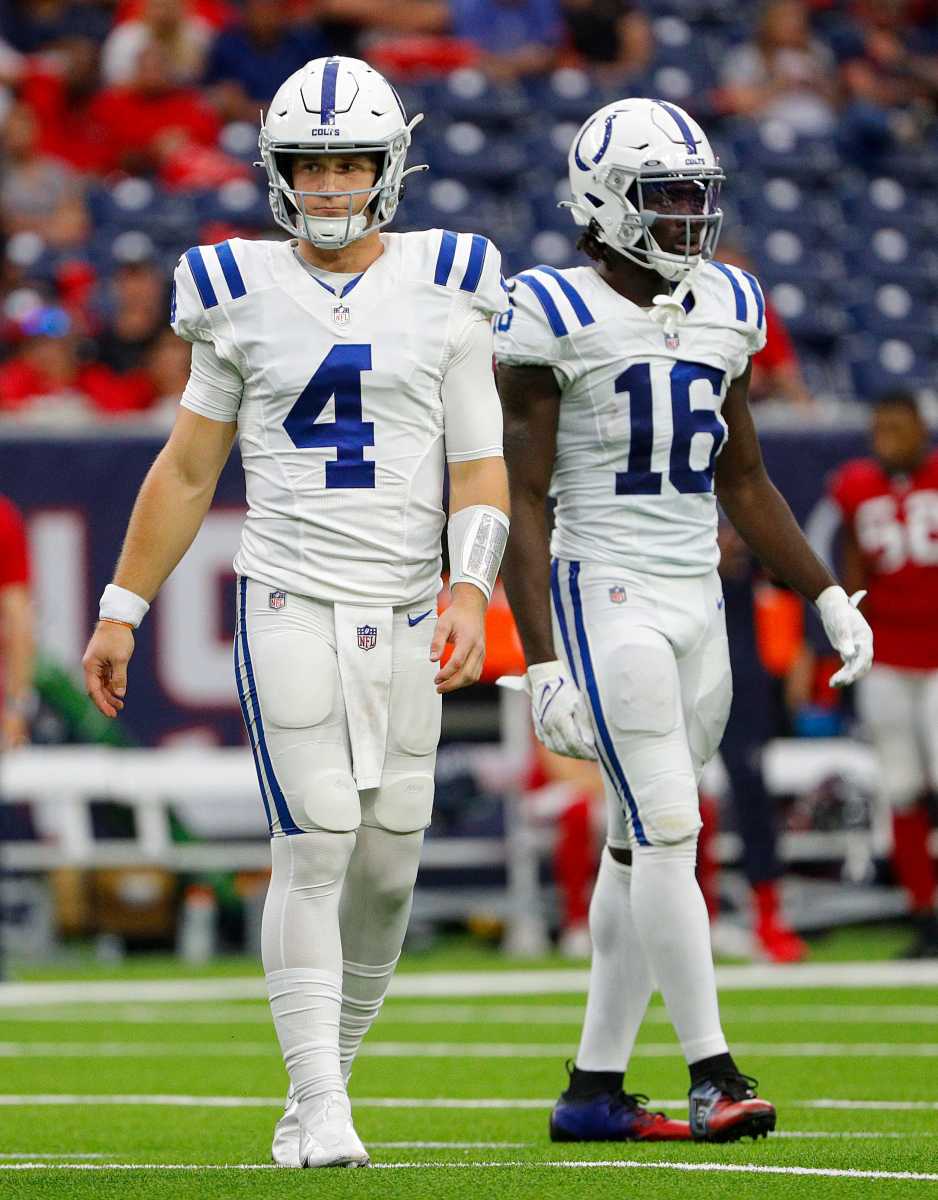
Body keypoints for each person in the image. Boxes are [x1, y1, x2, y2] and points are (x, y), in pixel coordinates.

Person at [81, 56, 509, 1168]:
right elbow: (187, 470)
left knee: (390, 863)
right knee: (315, 836)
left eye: (347, 164)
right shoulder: (238, 290)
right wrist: (123, 606)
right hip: (287, 594)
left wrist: (470, 586)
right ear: (276, 172)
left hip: (408, 604)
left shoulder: (451, 281)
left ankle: (323, 1084)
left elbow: (480, 465)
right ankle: (322, 1107)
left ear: (388, 168)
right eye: (307, 166)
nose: (326, 186)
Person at [494, 97, 872, 1144]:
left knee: (636, 843)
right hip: (604, 588)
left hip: (697, 596)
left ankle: (592, 1092)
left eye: (695, 194)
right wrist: (541, 660)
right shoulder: (549, 310)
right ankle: (713, 1073)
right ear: (603, 201)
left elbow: (743, 478)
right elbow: (523, 496)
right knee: (670, 828)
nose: (687, 215)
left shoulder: (726, 302)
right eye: (663, 195)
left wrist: (824, 594)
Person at [827, 390, 938, 958]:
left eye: (897, 427)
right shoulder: (855, 487)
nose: (886, 439)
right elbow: (852, 570)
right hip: (888, 656)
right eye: (879, 429)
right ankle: (924, 913)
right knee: (901, 788)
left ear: (921, 429)